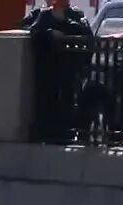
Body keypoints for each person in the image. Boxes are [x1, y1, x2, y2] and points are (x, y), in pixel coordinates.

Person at [28, 0, 93, 141]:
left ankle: (66, 133)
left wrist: (67, 25)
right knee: (47, 98)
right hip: (48, 67)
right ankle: (46, 132)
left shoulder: (75, 15)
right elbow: (34, 32)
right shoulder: (44, 15)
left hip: (68, 66)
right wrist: (50, 33)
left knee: (67, 98)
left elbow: (86, 35)